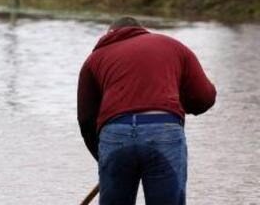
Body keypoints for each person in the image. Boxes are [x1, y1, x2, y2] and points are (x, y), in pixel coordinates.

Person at [77, 16, 217, 205]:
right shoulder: (173, 46)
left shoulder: (95, 59)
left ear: (109, 34)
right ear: (141, 29)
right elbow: (204, 99)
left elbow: (86, 119)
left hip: (116, 136)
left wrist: (105, 158)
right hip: (163, 132)